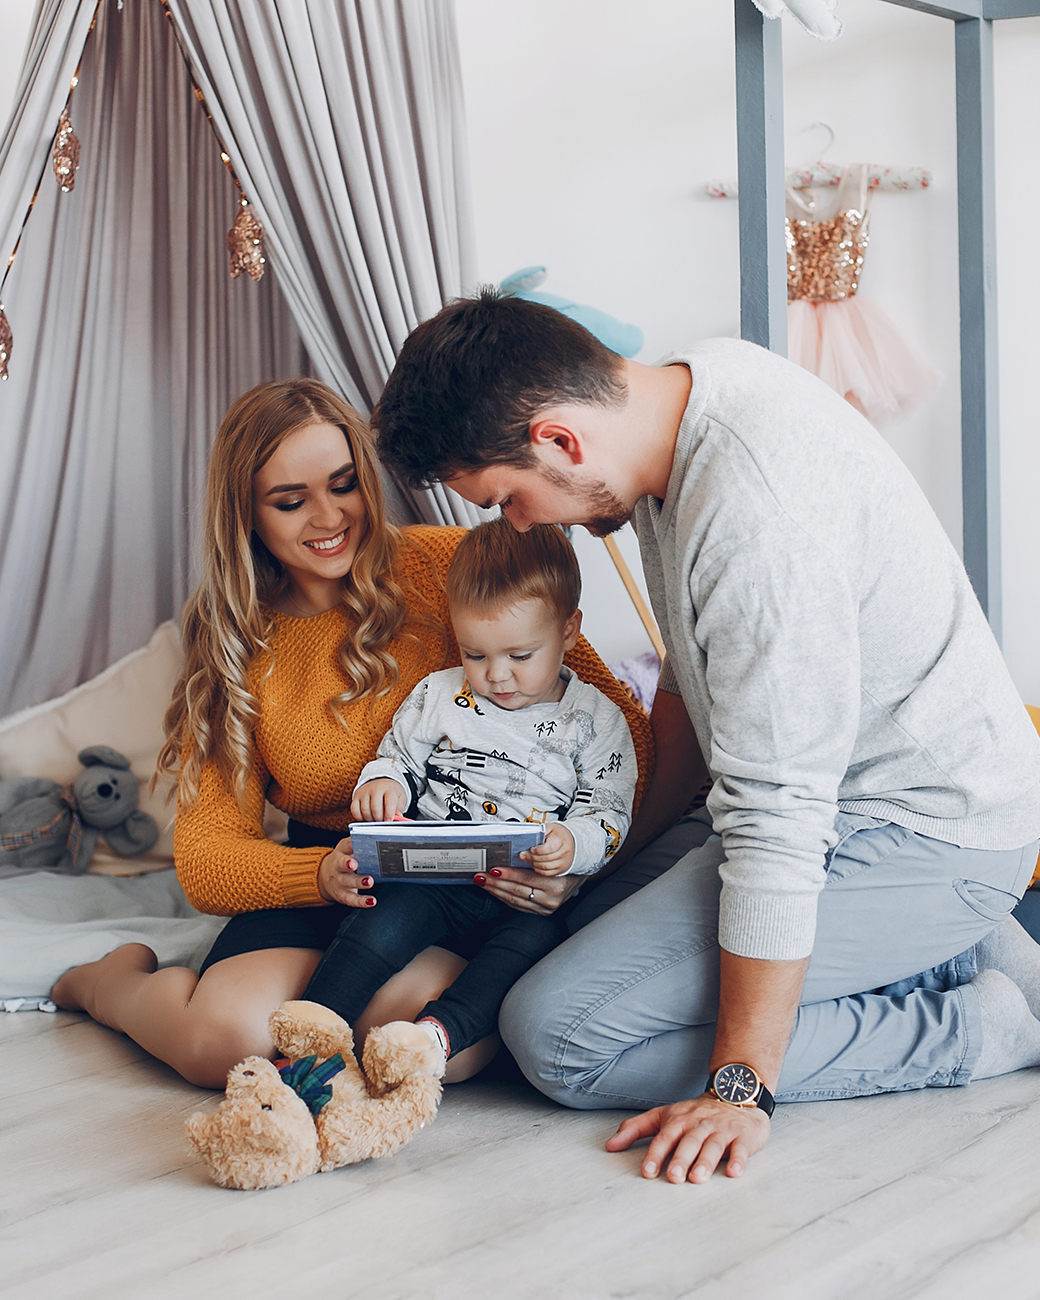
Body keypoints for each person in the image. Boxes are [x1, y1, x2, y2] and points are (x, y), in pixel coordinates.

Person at [371, 289, 1040, 1185]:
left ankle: (975, 1027)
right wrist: (601, 863)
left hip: (915, 828)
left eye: (509, 499)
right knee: (557, 927)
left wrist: (741, 1085)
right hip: (818, 808)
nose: (519, 526)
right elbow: (688, 689)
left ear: (559, 439)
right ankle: (939, 948)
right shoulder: (680, 406)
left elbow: (781, 819)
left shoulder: (756, 516)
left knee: (557, 1037)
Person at [51, 377, 652, 1089]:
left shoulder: (452, 567)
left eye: (344, 485)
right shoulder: (236, 640)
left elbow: (626, 740)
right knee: (225, 1044)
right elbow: (206, 856)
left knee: (428, 1047)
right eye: (290, 500)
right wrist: (320, 875)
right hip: (322, 878)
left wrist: (577, 867)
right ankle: (109, 984)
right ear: (246, 513)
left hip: (449, 882)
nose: (328, 517)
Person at [301, 515, 637, 1075]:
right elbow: (398, 757)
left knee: (530, 949)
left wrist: (569, 844)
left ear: (570, 631)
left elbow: (608, 811)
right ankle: (312, 1033)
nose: (497, 675)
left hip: (525, 892)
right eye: (475, 654)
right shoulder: (438, 693)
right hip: (433, 876)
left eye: (520, 656)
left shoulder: (595, 720)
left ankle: (436, 1038)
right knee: (375, 924)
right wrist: (382, 785)